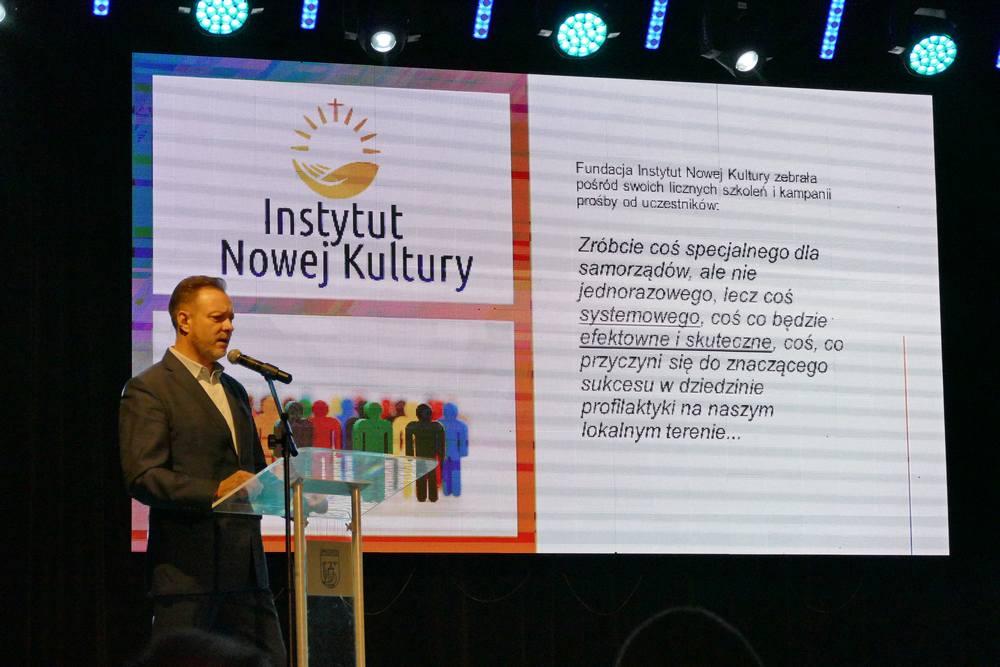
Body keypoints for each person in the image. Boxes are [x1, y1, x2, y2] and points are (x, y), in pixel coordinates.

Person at [119, 276, 286, 665]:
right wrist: (215, 489)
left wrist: (293, 492)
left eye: (231, 318)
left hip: (247, 575)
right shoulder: (150, 389)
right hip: (187, 576)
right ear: (184, 320)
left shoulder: (234, 390)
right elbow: (143, 476)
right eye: (217, 318)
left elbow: (254, 474)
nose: (228, 327)